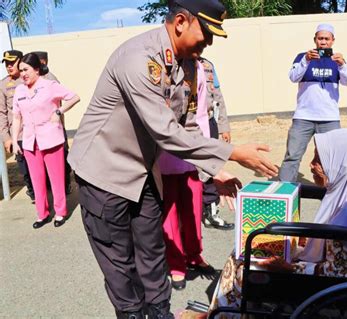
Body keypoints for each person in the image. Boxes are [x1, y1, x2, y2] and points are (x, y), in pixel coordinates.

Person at [67, 1, 278, 318]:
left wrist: (213, 170)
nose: (208, 42)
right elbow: (165, 132)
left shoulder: (183, 65)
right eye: (206, 32)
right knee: (120, 264)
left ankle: (160, 312)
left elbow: (185, 125)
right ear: (181, 21)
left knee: (153, 253)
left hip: (143, 174)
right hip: (103, 176)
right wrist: (232, 152)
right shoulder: (139, 59)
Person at [197, 129, 347, 317]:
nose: (311, 165)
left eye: (319, 160)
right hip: (335, 268)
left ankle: (224, 314)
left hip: (325, 282)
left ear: (342, 164)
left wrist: (289, 268)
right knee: (252, 248)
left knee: (243, 259)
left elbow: (339, 272)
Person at [158, 58, 214, 291]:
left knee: (193, 208)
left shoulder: (200, 66)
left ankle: (194, 255)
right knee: (170, 211)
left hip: (194, 146)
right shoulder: (162, 66)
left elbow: (202, 109)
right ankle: (176, 263)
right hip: (166, 150)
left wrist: (207, 149)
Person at [11, 53, 80, 228]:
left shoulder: (50, 86)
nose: (23, 74)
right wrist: (14, 140)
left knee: (56, 179)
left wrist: (59, 112)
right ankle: (42, 214)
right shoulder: (19, 90)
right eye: (21, 71)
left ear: (36, 69)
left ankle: (60, 212)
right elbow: (17, 117)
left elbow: (74, 97)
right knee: (37, 180)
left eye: (26, 70)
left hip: (51, 139)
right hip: (29, 142)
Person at [279, 23, 347, 182]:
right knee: (292, 156)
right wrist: (306, 60)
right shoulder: (302, 57)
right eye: (320, 38)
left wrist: (342, 65)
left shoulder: (337, 60)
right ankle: (285, 192)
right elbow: (293, 77)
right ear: (315, 40)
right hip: (303, 117)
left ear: (333, 40)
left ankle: (331, 194)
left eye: (327, 39)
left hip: (329, 118)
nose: (323, 42)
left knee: (332, 160)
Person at [198, 56, 234, 230]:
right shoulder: (175, 63)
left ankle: (210, 213)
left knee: (210, 167)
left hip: (209, 121)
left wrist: (223, 126)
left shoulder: (207, 65)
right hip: (188, 125)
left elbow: (218, 96)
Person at [32, 50, 73, 195]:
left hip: (54, 126)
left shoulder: (49, 79)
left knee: (60, 159)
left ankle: (65, 185)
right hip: (47, 127)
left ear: (42, 62)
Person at [0, 50, 35, 201]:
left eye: (11, 63)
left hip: (35, 132)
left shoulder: (30, 78)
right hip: (18, 135)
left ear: (20, 61)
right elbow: (1, 113)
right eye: (6, 63)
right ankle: (33, 192)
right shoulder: (2, 85)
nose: (9, 66)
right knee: (24, 169)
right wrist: (6, 138)